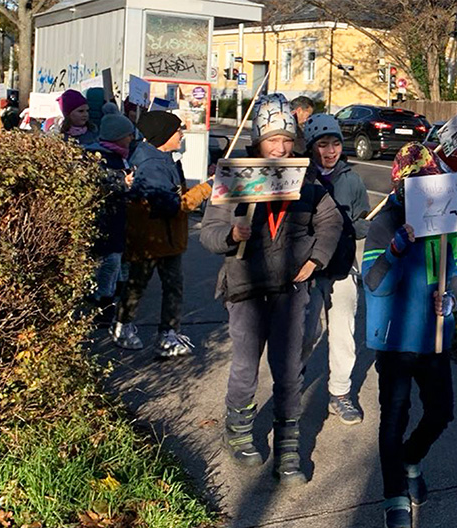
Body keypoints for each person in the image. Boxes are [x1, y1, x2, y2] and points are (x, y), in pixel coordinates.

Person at [200, 93, 342, 485]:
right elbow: (209, 232)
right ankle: (239, 429)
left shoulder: (306, 178)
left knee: (288, 369)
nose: (279, 147)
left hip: (290, 289)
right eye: (271, 140)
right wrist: (230, 233)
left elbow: (330, 224)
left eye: (285, 139)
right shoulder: (235, 176)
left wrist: (315, 259)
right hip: (246, 287)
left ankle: (288, 447)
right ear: (258, 141)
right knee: (246, 366)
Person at [362, 142, 457, 528]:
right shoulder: (384, 223)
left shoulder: (446, 225)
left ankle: (410, 459)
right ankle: (394, 495)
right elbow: (373, 284)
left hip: (434, 337)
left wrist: (453, 296)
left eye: (435, 185)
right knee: (394, 416)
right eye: (420, 186)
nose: (429, 193)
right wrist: (394, 250)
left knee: (441, 411)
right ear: (402, 188)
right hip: (393, 341)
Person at [110, 111, 212, 357]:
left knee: (168, 286)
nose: (182, 135)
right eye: (178, 131)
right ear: (164, 135)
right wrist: (207, 187)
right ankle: (127, 327)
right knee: (141, 284)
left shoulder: (162, 157)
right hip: (153, 239)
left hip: (166, 239)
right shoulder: (152, 165)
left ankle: (166, 333)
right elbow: (172, 206)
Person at [300, 113, 371, 424]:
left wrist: (363, 226)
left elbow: (361, 220)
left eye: (336, 144)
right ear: (311, 146)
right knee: (304, 331)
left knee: (343, 331)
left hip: (341, 267)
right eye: (323, 144)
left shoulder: (352, 180)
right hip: (307, 268)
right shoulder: (300, 176)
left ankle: (340, 393)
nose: (330, 151)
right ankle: (291, 381)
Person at [84, 104, 136, 322]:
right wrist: (122, 183)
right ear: (117, 137)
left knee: (115, 260)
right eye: (127, 135)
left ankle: (109, 297)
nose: (131, 139)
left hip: (117, 219)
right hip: (102, 219)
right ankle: (102, 303)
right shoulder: (97, 156)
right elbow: (97, 182)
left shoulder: (122, 156)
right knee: (108, 261)